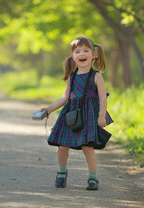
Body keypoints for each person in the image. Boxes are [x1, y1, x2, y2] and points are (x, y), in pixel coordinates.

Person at [40, 36, 112, 190]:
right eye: (77, 51)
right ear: (73, 56)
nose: (81, 54)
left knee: (87, 147)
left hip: (88, 116)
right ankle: (61, 172)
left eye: (86, 50)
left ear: (93, 54)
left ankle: (93, 179)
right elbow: (65, 97)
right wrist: (49, 109)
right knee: (62, 146)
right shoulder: (71, 77)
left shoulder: (96, 76)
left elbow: (102, 97)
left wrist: (101, 115)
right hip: (71, 115)